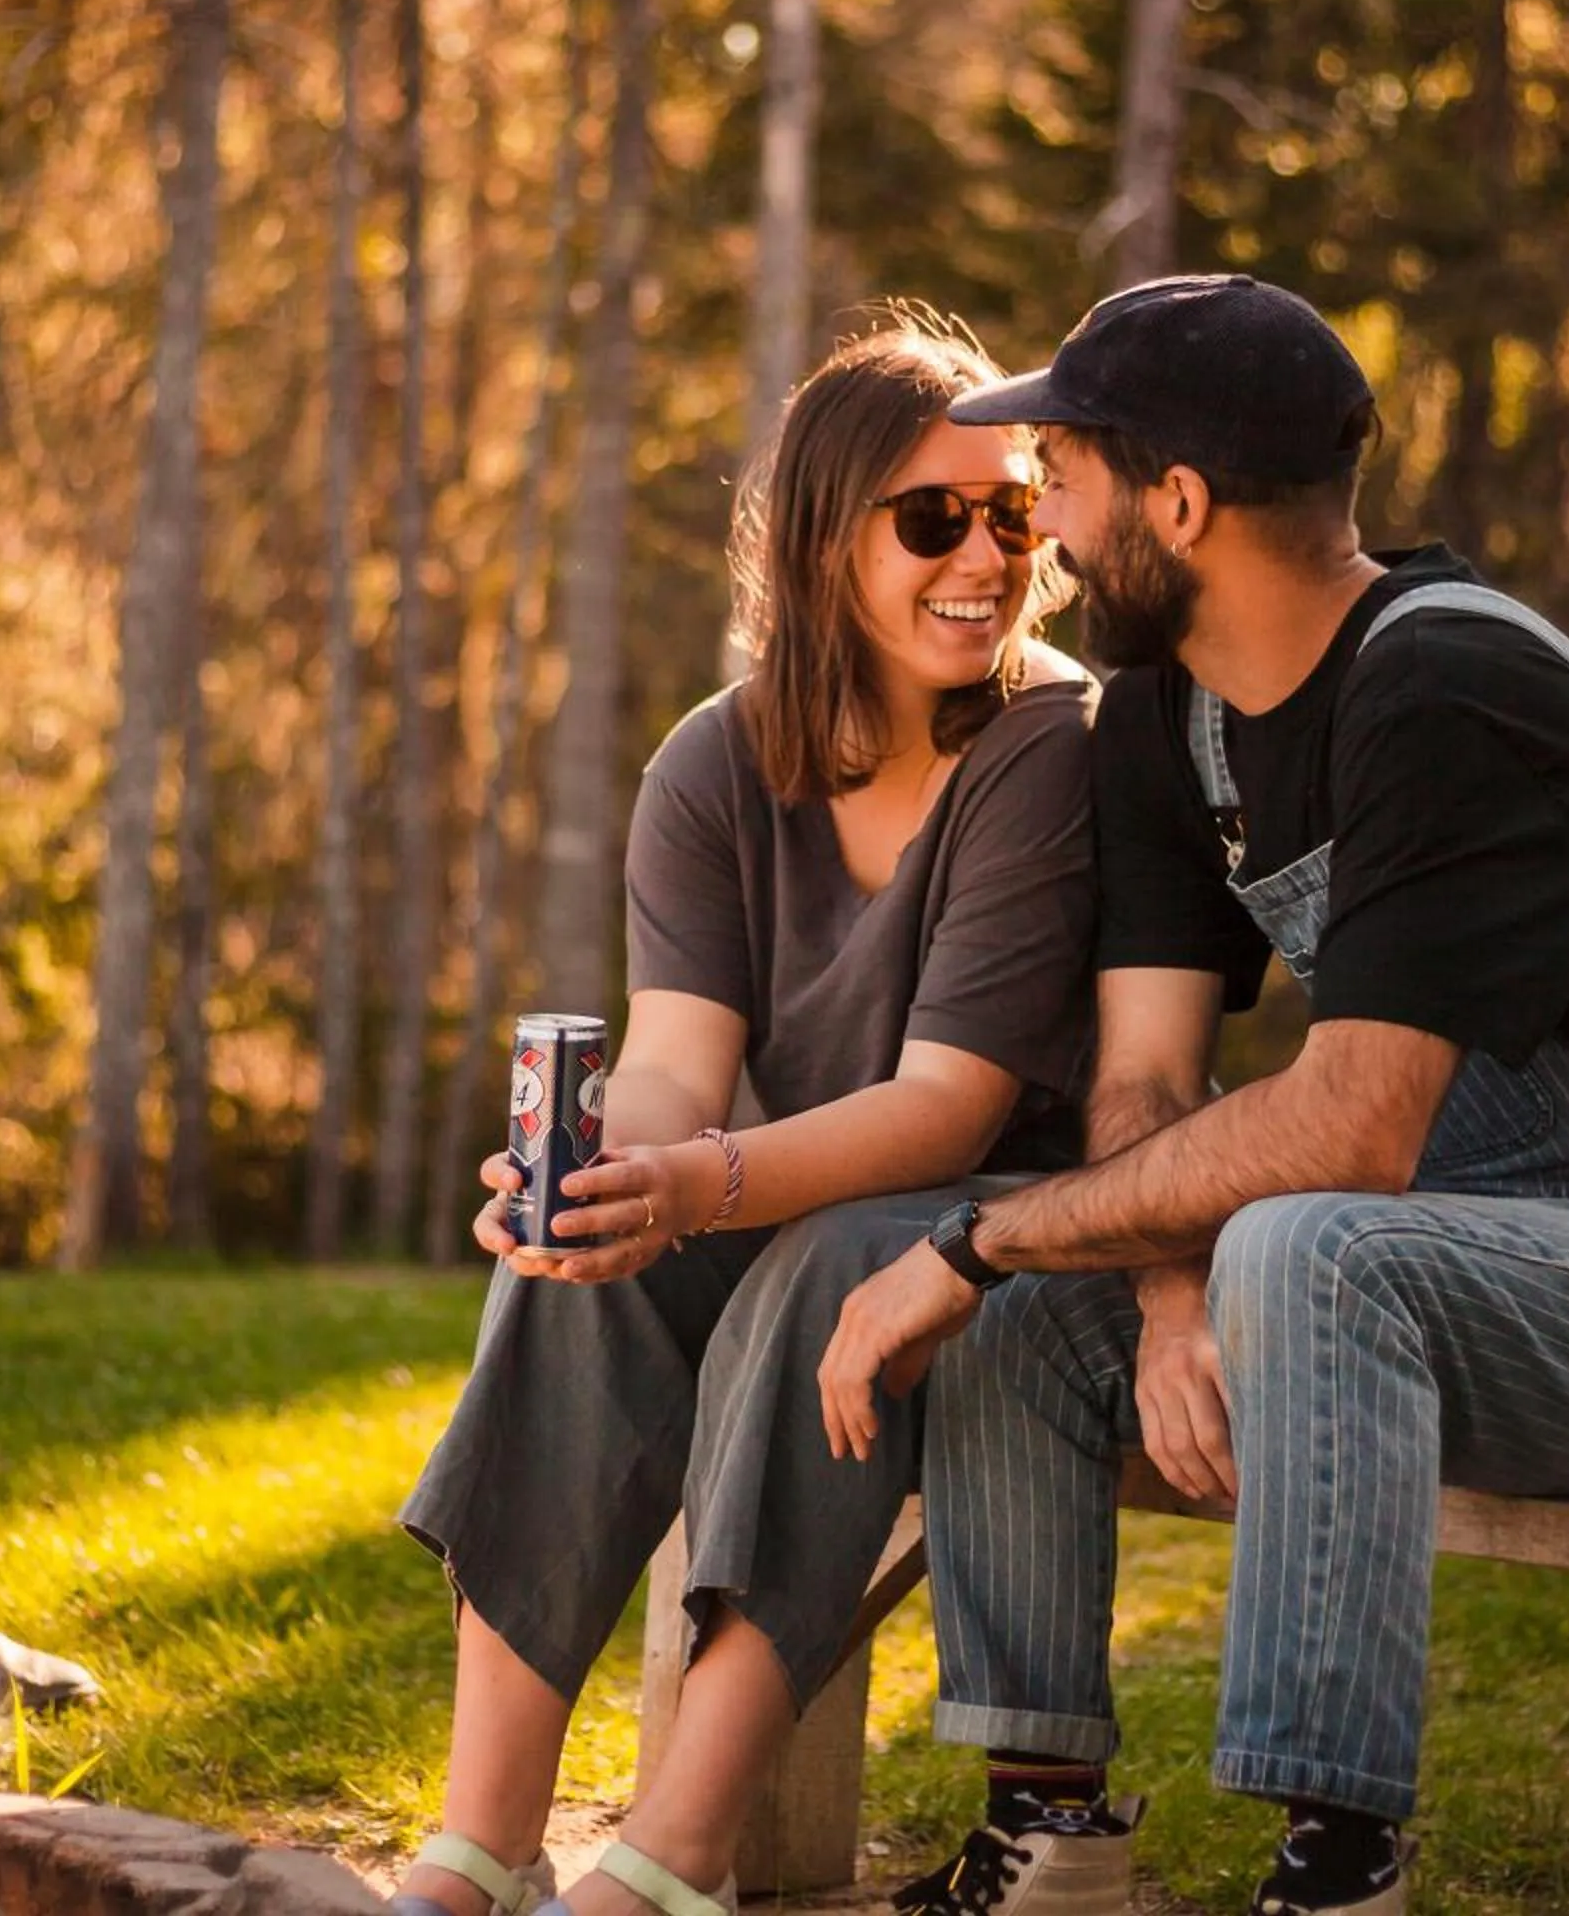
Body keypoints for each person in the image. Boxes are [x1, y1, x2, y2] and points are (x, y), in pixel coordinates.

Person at [812, 274, 1569, 1916]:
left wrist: (972, 1238)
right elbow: (1152, 1076)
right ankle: (1050, 1839)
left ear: (1179, 501)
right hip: (1466, 1247)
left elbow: (1353, 1129)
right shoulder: (1169, 713)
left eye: (1072, 470)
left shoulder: (1452, 690)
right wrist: (1162, 1293)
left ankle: (1335, 1868)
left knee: (1292, 1246)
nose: (1049, 513)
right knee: (1048, 1314)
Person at [388, 308, 1105, 1916]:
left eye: (1013, 513)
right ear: (819, 540)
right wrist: (589, 1177)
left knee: (820, 1263)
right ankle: (483, 1841)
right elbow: (675, 1058)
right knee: (574, 1273)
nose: (984, 557)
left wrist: (695, 1179)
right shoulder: (713, 765)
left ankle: (676, 1849)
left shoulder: (1048, 744)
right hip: (786, 1195)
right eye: (935, 518)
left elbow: (948, 1110)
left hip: (995, 1242)